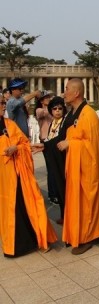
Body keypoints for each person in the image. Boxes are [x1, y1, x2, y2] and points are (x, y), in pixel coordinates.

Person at [57, 78, 99, 255]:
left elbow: (91, 146)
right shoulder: (74, 112)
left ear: (76, 93)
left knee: (86, 205)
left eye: (66, 89)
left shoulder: (88, 114)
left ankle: (87, 236)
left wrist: (71, 144)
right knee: (76, 204)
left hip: (87, 169)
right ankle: (77, 233)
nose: (64, 92)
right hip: (75, 168)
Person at [0, 99, 58, 257]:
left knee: (28, 204)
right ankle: (14, 245)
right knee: (10, 210)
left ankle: (37, 239)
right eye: (0, 103)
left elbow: (24, 143)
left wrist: (17, 148)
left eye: (3, 103)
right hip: (4, 179)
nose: (3, 106)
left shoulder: (9, 124)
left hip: (19, 174)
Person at [39, 96, 68, 224]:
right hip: (53, 156)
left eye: (60, 108)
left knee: (63, 188)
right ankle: (63, 215)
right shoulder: (52, 123)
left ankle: (66, 215)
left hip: (62, 158)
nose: (57, 111)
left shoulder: (65, 123)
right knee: (57, 186)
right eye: (54, 109)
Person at [35, 90, 57, 202]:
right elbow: (43, 114)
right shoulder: (40, 110)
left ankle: (56, 192)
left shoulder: (53, 110)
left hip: (54, 140)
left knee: (55, 167)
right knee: (51, 168)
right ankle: (52, 194)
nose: (49, 99)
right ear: (42, 101)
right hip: (45, 140)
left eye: (49, 97)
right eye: (47, 98)